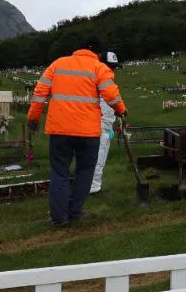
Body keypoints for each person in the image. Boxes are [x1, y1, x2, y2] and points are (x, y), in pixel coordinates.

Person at [28, 35, 127, 227]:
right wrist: (121, 110)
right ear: (97, 53)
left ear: (78, 49)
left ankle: (59, 218)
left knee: (59, 172)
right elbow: (111, 94)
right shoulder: (99, 67)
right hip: (88, 133)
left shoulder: (58, 64)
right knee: (85, 171)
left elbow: (40, 93)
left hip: (60, 130)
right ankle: (75, 212)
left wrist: (33, 118)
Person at [89, 97, 117, 195]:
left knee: (97, 155)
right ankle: (93, 187)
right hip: (101, 123)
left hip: (103, 123)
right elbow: (111, 95)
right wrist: (121, 109)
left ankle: (89, 185)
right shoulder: (104, 82)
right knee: (99, 156)